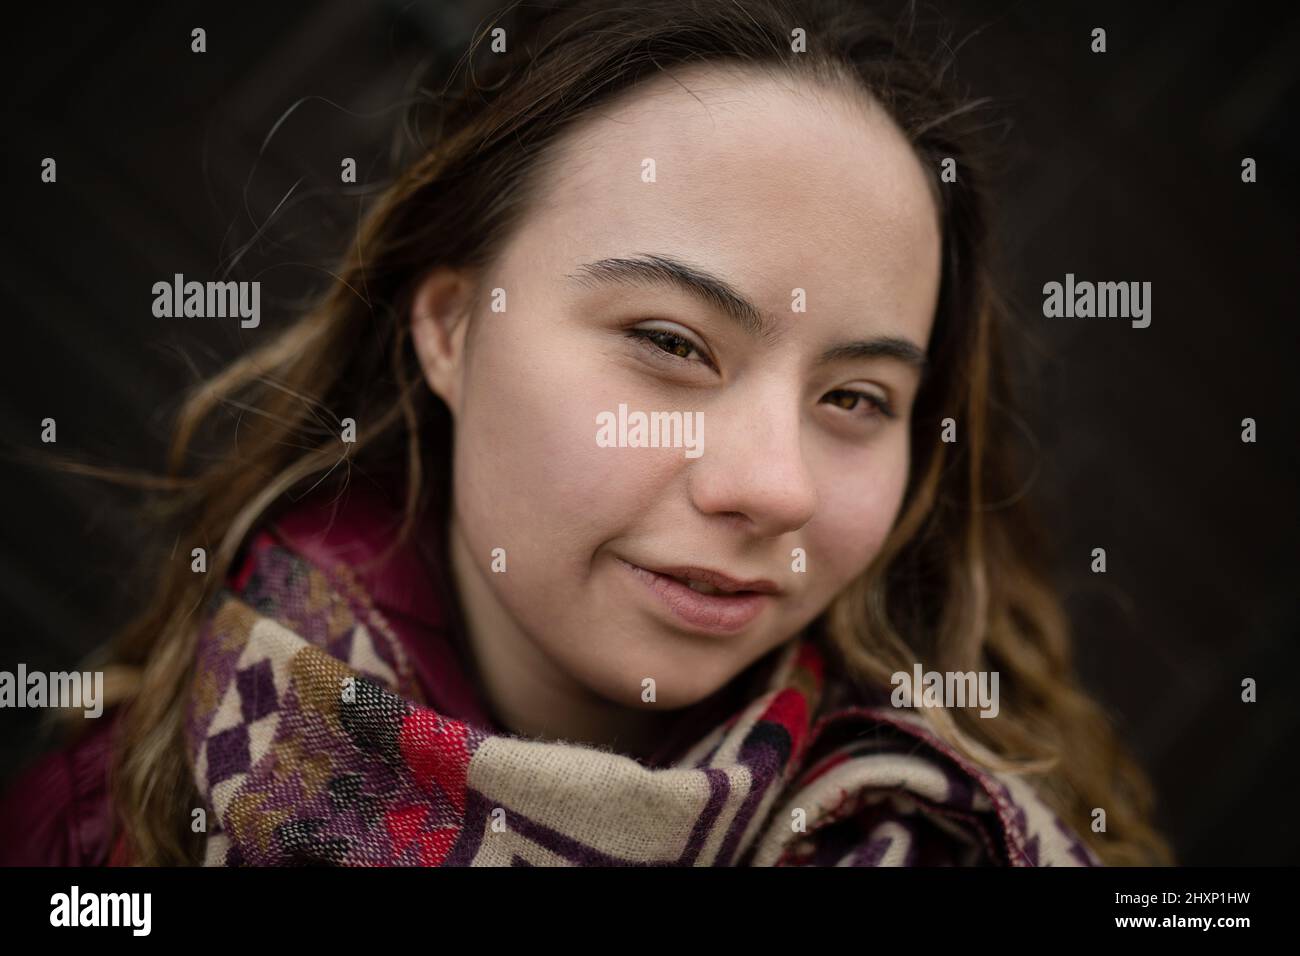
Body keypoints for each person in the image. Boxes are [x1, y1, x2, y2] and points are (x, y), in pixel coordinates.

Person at [0, 0, 1172, 866]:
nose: (773, 486)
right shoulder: (106, 836)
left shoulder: (965, 826)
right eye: (670, 342)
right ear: (452, 327)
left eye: (856, 398)